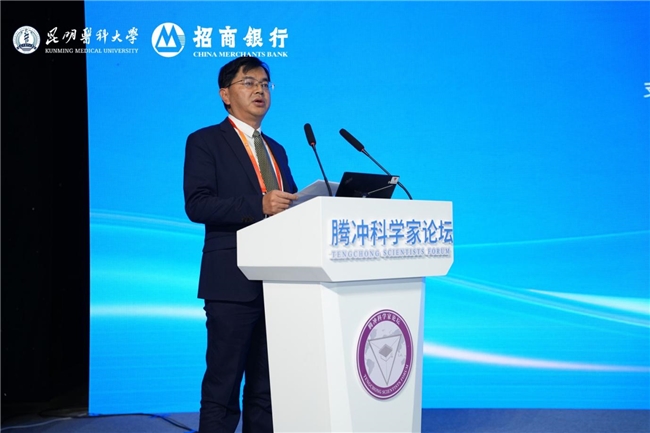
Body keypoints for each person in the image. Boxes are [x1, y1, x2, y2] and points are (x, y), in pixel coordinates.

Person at [183, 56, 298, 433]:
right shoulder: (205, 142)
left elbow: (288, 205)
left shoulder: (277, 149)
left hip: (278, 283)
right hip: (231, 282)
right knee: (224, 384)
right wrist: (258, 204)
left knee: (266, 387)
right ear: (225, 95)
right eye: (249, 83)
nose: (259, 90)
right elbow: (197, 204)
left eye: (265, 83)